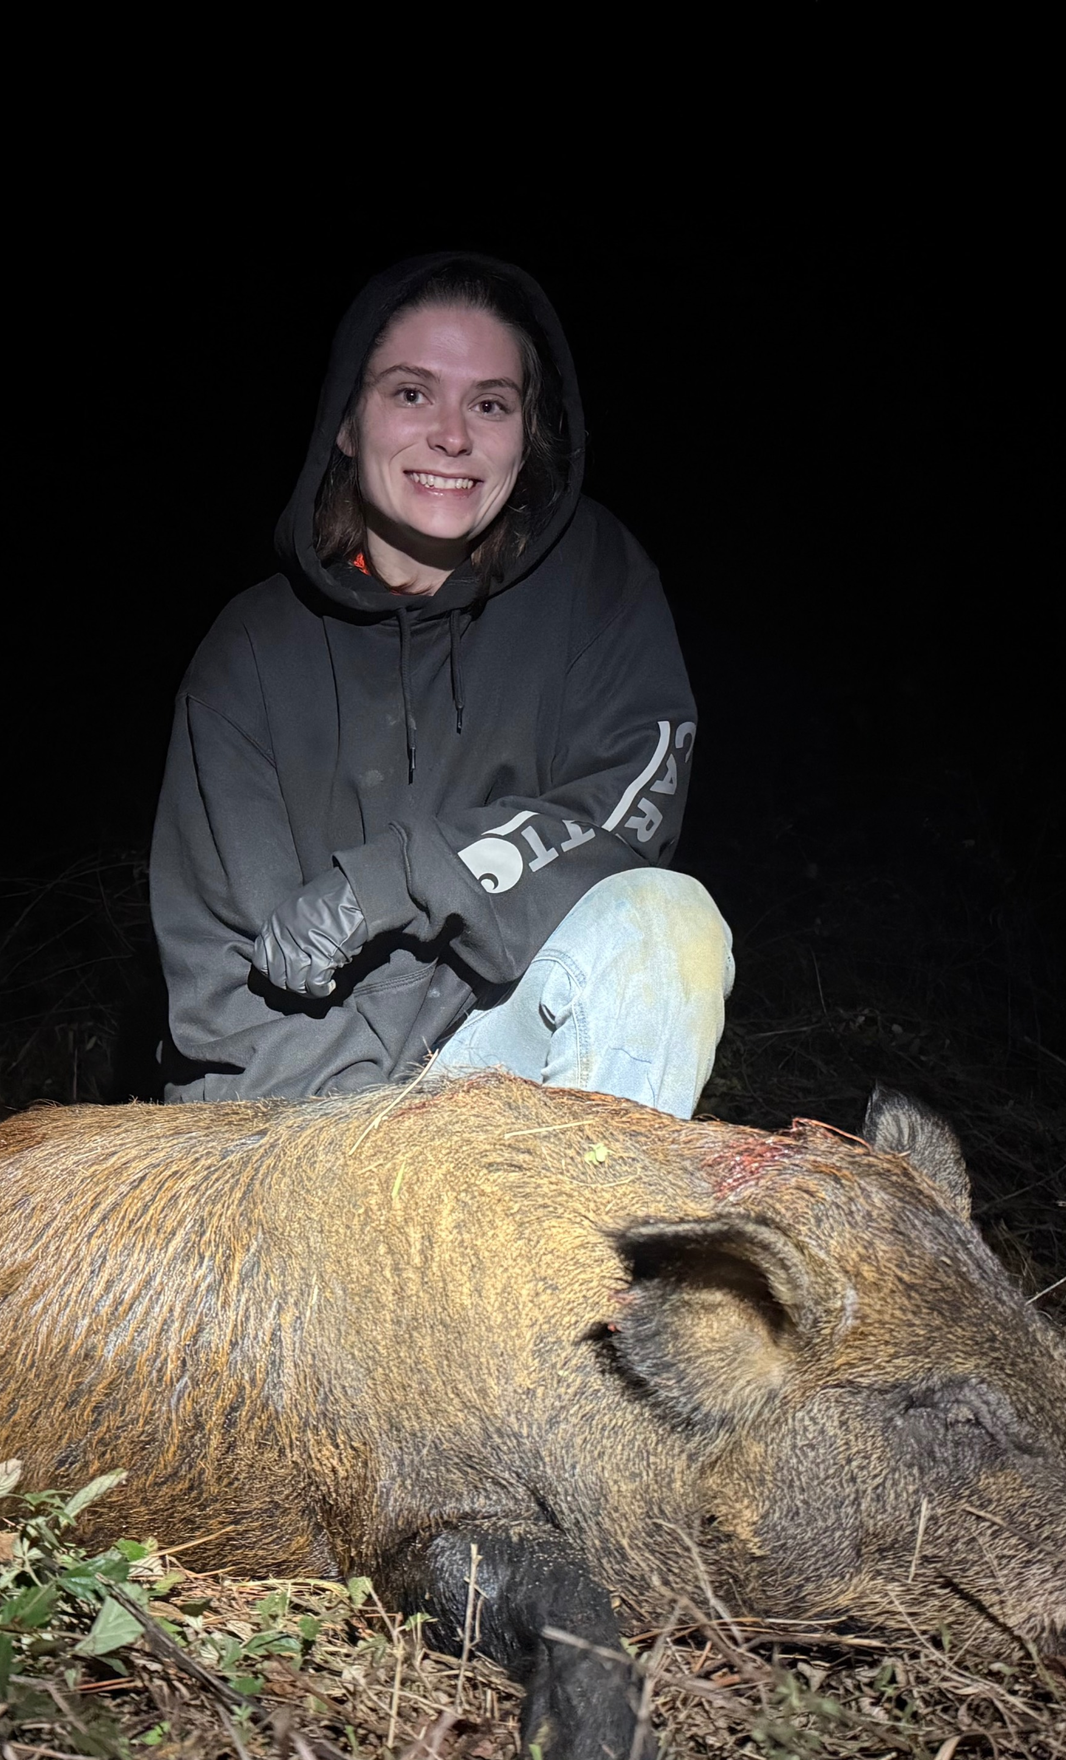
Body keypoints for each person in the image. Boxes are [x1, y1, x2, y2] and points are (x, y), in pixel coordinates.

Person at [149, 253, 732, 1119]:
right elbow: (223, 1000)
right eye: (411, 392)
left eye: (490, 403)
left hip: (497, 1055)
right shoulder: (248, 656)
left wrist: (393, 881)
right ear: (347, 421)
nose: (453, 436)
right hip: (299, 1102)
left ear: (527, 433)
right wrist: (390, 1164)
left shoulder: (597, 584)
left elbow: (627, 814)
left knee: (667, 927)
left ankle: (582, 1249)